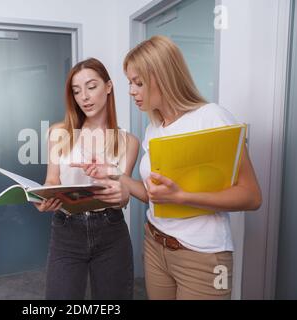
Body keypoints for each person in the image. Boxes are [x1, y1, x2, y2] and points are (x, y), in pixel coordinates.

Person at [75, 36, 262, 300]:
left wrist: (183, 197)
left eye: (138, 83)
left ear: (163, 77)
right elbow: (154, 195)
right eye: (130, 82)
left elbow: (252, 196)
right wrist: (115, 173)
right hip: (155, 245)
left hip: (202, 256)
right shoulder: (154, 128)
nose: (131, 91)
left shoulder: (212, 117)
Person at [34, 58, 140, 300]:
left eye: (91, 87)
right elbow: (51, 180)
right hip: (66, 230)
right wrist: (42, 197)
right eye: (77, 91)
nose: (84, 97)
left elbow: (122, 198)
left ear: (109, 87)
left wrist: (122, 195)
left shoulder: (129, 142)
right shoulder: (58, 133)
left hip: (111, 231)